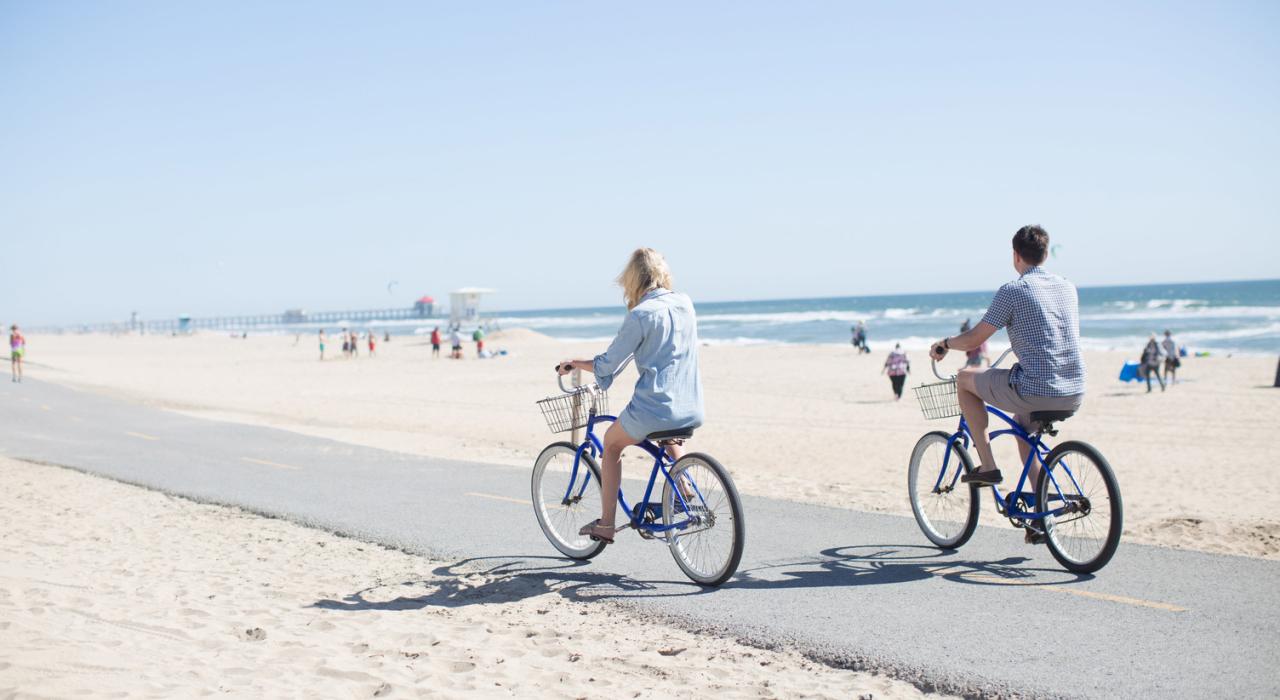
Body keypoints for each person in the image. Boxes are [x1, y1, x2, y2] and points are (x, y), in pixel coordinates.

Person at [930, 226, 1085, 543]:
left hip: (1036, 389)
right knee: (1022, 428)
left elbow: (975, 338)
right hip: (1074, 390)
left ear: (1015, 256)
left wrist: (945, 343)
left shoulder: (1013, 291)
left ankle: (987, 465)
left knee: (964, 379)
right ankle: (1041, 514)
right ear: (1045, 252)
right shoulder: (1068, 287)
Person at [556, 248, 704, 545]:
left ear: (632, 280)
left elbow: (609, 363)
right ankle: (685, 490)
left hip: (655, 408)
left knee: (611, 445)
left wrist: (577, 363)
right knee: (669, 438)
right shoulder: (685, 303)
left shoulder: (640, 315)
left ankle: (607, 525)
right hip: (691, 405)